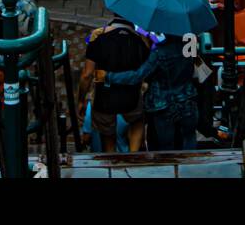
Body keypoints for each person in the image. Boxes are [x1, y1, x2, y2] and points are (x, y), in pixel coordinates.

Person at [98, 33, 198, 151]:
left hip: (164, 104)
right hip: (187, 100)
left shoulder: (159, 52)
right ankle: (191, 168)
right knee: (189, 139)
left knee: (166, 147)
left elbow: (137, 76)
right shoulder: (189, 48)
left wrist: (109, 76)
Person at [78, 14, 150, 152]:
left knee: (108, 140)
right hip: (132, 98)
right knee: (137, 121)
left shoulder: (97, 37)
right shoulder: (140, 40)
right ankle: (133, 154)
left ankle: (112, 160)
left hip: (104, 99)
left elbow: (87, 75)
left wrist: (81, 100)